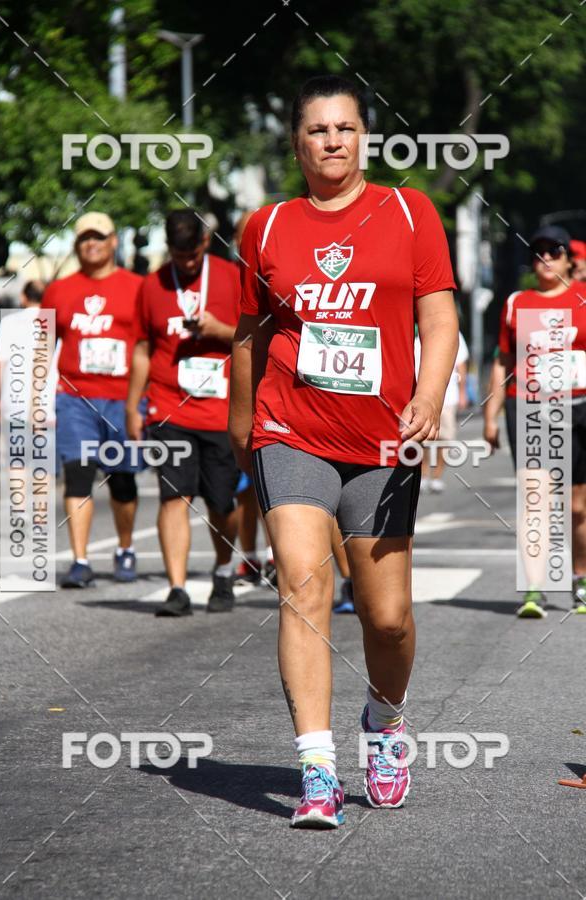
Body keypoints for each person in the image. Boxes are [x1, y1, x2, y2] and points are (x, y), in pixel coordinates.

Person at [229, 74, 458, 828]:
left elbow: (439, 319)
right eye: (319, 130)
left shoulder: (407, 210)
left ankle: (385, 724)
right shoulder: (264, 227)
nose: (333, 141)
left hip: (386, 440)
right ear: (297, 142)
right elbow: (249, 333)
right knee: (302, 586)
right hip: (291, 430)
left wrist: (428, 397)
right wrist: (242, 426)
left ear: (364, 138)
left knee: (386, 616)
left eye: (346, 128)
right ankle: (317, 770)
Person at [127, 209, 241, 616]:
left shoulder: (230, 276)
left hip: (222, 409)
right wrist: (132, 405)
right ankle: (177, 588)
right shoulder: (152, 284)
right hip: (168, 406)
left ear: (205, 244)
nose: (187, 263)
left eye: (192, 255)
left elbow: (253, 336)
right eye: (179, 256)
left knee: (222, 503)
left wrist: (218, 331)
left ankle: (224, 570)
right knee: (174, 495)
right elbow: (143, 347)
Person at [41, 213, 143, 588]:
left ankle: (126, 548)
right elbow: (42, 346)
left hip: (124, 397)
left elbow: (150, 344)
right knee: (78, 474)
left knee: (122, 480)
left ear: (114, 241)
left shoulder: (138, 287)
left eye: (98, 237)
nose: (91, 244)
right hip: (75, 398)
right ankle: (80, 560)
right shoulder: (59, 290)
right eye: (84, 237)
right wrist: (34, 395)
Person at [495, 225, 586, 617]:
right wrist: (490, 415)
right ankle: (534, 586)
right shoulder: (518, 301)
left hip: (579, 406)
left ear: (569, 259)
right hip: (529, 408)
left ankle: (579, 577)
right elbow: (502, 362)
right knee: (535, 500)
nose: (545, 259)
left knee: (578, 507)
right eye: (538, 253)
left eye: (553, 252)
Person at [232, 212, 276, 587]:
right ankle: (249, 557)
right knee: (245, 492)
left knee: (278, 491)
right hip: (230, 405)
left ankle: (279, 555)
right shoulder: (226, 281)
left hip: (278, 405)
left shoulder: (282, 276)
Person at [415, 328, 469, 492]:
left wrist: (462, 393)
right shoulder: (411, 334)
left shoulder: (452, 332)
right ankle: (423, 476)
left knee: (444, 440)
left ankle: (437, 477)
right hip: (418, 398)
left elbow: (461, 366)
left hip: (447, 397)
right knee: (422, 440)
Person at [0, 281, 48, 425]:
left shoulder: (9, 322)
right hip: (46, 406)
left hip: (13, 405)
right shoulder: (53, 323)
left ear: (23, 297)